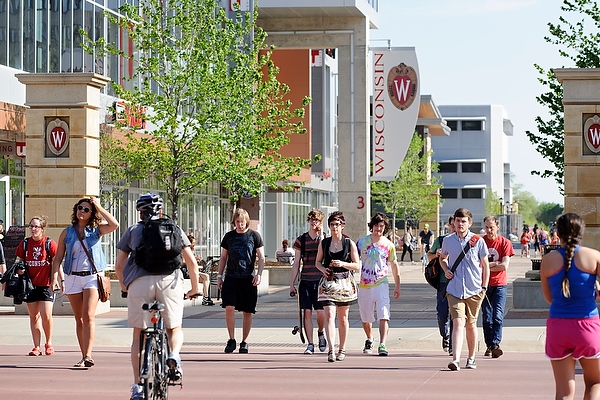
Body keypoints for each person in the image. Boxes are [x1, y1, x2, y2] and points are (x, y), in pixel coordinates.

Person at [115, 193, 200, 400]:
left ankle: (137, 386)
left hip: (139, 284)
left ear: (139, 211)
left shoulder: (133, 230)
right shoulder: (174, 229)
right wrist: (194, 288)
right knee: (174, 328)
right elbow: (191, 263)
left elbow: (119, 265)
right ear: (160, 211)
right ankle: (174, 355)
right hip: (169, 282)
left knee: (138, 334)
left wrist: (126, 286)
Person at [51, 196, 119, 368]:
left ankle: (88, 355)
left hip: (91, 277)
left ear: (92, 213)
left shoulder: (96, 230)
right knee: (79, 319)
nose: (82, 211)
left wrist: (98, 206)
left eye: (87, 209)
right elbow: (58, 258)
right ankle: (83, 355)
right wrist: (55, 278)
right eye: (80, 208)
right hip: (72, 277)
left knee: (88, 316)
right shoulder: (67, 232)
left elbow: (114, 224)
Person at [540, 213, 600, 400]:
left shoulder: (548, 260)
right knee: (594, 383)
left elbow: (549, 298)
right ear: (581, 232)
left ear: (558, 233)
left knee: (564, 392)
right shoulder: (594, 256)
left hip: (558, 327)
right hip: (587, 325)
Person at [440, 208, 489, 371]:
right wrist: (446, 268)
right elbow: (442, 258)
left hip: (474, 289)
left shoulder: (478, 241)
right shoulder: (448, 240)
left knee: (471, 324)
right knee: (458, 322)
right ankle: (455, 359)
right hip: (454, 288)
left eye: (463, 221)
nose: (460, 224)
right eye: (458, 221)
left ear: (470, 223)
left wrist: (484, 286)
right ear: (453, 222)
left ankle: (472, 357)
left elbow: (485, 265)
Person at [217, 208, 265, 354]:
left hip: (248, 278)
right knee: (229, 307)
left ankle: (244, 341)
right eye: (237, 222)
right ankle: (231, 340)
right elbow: (223, 257)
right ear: (234, 222)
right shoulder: (229, 237)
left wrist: (259, 274)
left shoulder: (254, 236)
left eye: (242, 222)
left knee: (247, 311)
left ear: (246, 222)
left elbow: (261, 258)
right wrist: (219, 276)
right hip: (231, 277)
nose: (240, 224)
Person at [315, 211, 360, 362]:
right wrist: (323, 269)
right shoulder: (324, 243)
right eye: (332, 225)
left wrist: (343, 264)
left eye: (337, 224)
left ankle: (342, 348)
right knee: (329, 315)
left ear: (342, 226)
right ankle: (331, 349)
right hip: (329, 284)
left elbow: (357, 265)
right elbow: (317, 262)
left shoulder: (349, 243)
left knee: (343, 318)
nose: (335, 227)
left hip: (345, 284)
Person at [357, 212, 400, 357]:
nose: (378, 229)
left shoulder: (388, 245)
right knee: (366, 317)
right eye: (376, 225)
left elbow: (394, 265)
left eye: (381, 226)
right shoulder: (362, 242)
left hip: (381, 283)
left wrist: (397, 285)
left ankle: (383, 344)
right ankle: (369, 338)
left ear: (385, 228)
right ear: (372, 226)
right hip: (365, 284)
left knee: (384, 314)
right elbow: (354, 260)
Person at [15, 216, 59, 356]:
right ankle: (36, 346)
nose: (33, 229)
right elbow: (20, 260)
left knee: (46, 315)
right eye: (31, 226)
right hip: (30, 285)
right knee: (34, 316)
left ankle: (49, 343)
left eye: (36, 227)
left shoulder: (49, 243)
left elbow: (57, 263)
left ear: (42, 229)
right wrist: (20, 268)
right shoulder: (25, 243)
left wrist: (56, 280)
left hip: (46, 284)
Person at [289, 209, 327, 355]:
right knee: (307, 312)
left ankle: (321, 332)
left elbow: (325, 254)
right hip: (305, 280)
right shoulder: (301, 240)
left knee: (321, 313)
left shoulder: (324, 239)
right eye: (311, 219)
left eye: (316, 220)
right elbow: (296, 263)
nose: (313, 222)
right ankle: (310, 344)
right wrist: (292, 284)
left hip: (320, 281)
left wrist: (322, 234)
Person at [482, 215, 514, 358]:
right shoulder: (480, 242)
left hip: (500, 284)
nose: (489, 231)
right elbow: (477, 266)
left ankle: (495, 344)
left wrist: (486, 266)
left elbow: (504, 266)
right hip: (483, 285)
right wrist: (494, 264)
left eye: (492, 228)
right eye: (487, 227)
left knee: (498, 316)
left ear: (497, 227)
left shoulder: (505, 243)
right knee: (487, 318)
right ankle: (489, 345)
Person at [427, 215, 455, 356]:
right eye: (452, 224)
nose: (455, 227)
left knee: (455, 315)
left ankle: (452, 345)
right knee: (443, 313)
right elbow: (429, 255)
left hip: (457, 283)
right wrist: (436, 254)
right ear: (449, 225)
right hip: (443, 282)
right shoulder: (441, 240)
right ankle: (445, 334)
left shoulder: (465, 241)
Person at [185, 234, 214, 306]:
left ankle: (206, 297)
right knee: (206, 277)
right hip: (188, 271)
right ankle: (206, 298)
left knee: (206, 278)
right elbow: (183, 261)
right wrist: (193, 260)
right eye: (193, 242)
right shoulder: (185, 250)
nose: (194, 244)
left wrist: (196, 260)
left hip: (193, 271)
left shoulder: (191, 250)